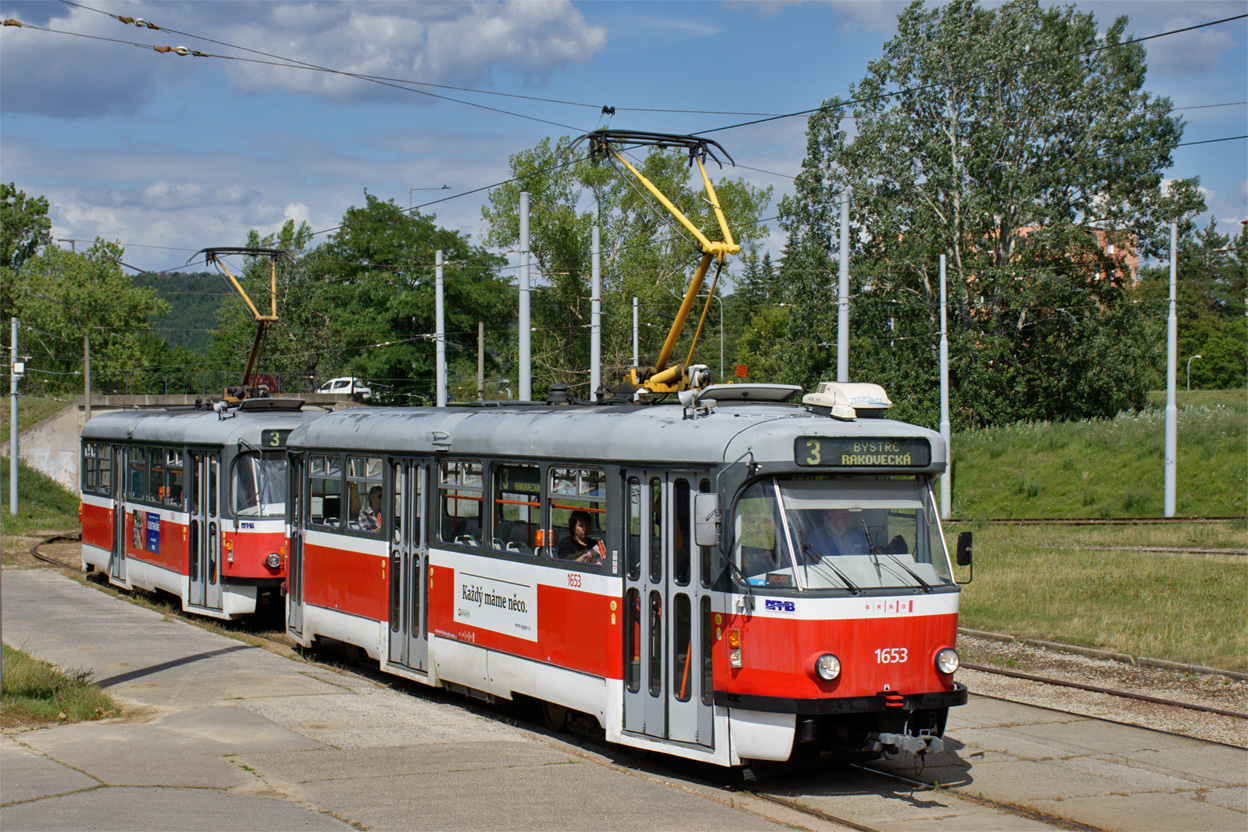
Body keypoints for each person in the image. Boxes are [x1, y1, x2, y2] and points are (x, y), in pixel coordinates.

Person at [804, 508, 871, 559]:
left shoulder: (859, 534)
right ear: (830, 515)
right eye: (842, 515)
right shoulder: (817, 537)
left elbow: (870, 555)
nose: (846, 518)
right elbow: (815, 561)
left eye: (848, 514)